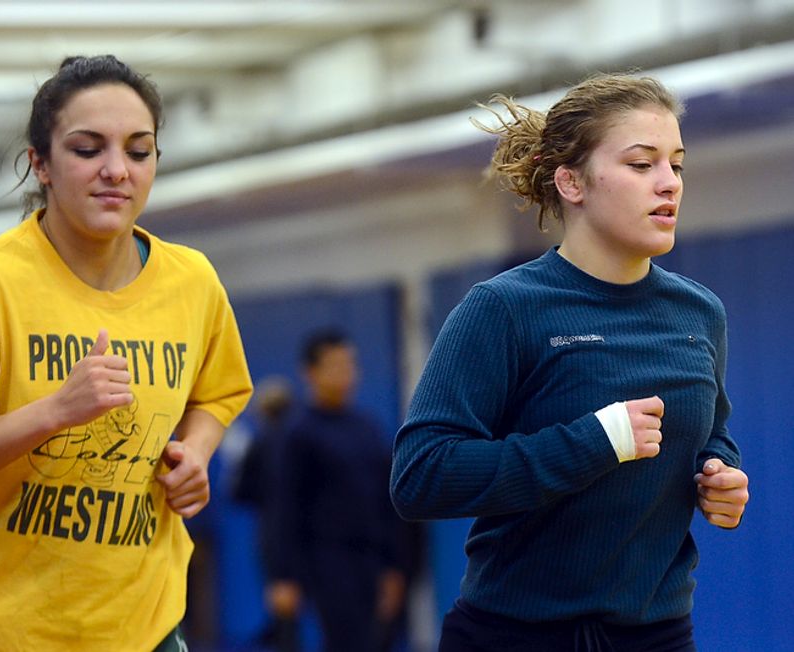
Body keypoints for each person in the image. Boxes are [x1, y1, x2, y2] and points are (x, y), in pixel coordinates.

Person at [390, 73, 750, 651]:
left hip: (657, 635)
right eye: (641, 164)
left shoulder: (698, 312)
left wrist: (719, 474)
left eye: (676, 165)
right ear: (571, 182)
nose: (669, 184)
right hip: (515, 636)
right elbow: (421, 476)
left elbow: (712, 432)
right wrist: (592, 443)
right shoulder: (503, 309)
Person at [0, 55, 253, 652]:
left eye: (138, 150)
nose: (116, 170)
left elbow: (219, 393)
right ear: (40, 164)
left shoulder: (193, 281)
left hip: (144, 627)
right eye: (87, 149)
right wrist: (55, 411)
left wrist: (195, 454)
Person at [271, 329, 411, 652]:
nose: (345, 373)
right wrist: (284, 576)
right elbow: (286, 507)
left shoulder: (368, 428)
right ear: (311, 373)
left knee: (379, 641)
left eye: (349, 365)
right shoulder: (299, 432)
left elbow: (386, 501)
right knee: (346, 642)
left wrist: (394, 566)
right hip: (328, 560)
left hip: (372, 558)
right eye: (334, 366)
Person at [230, 376, 300, 652]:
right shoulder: (304, 438)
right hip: (315, 536)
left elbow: (239, 491)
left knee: (283, 605)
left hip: (276, 533)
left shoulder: (262, 444)